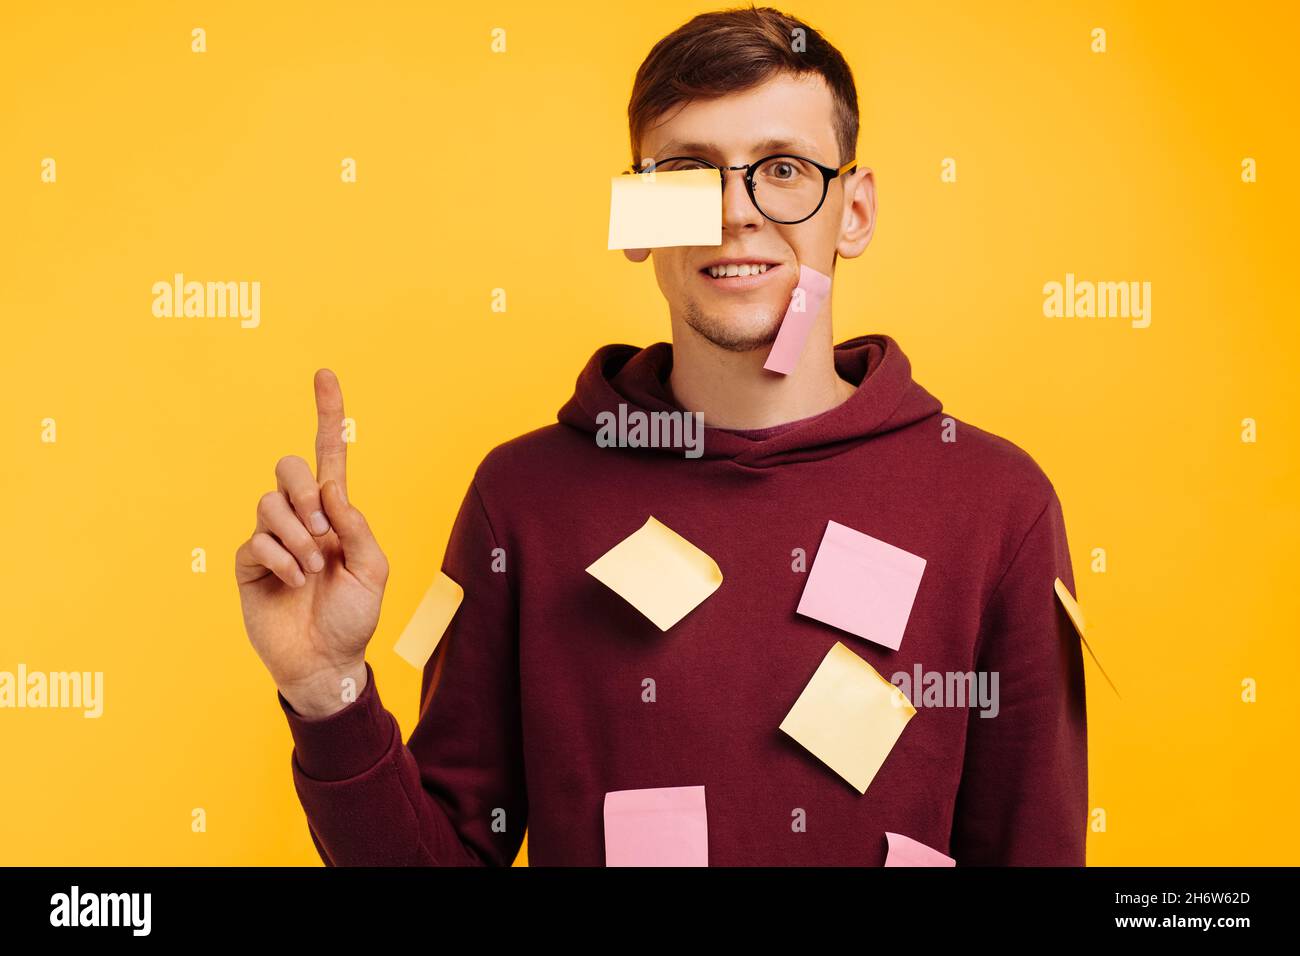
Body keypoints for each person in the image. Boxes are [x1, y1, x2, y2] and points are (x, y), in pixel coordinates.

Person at [235, 6, 1087, 866]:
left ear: (855, 210)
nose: (734, 214)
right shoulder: (521, 502)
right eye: (688, 171)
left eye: (782, 169)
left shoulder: (996, 507)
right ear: (637, 214)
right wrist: (325, 691)